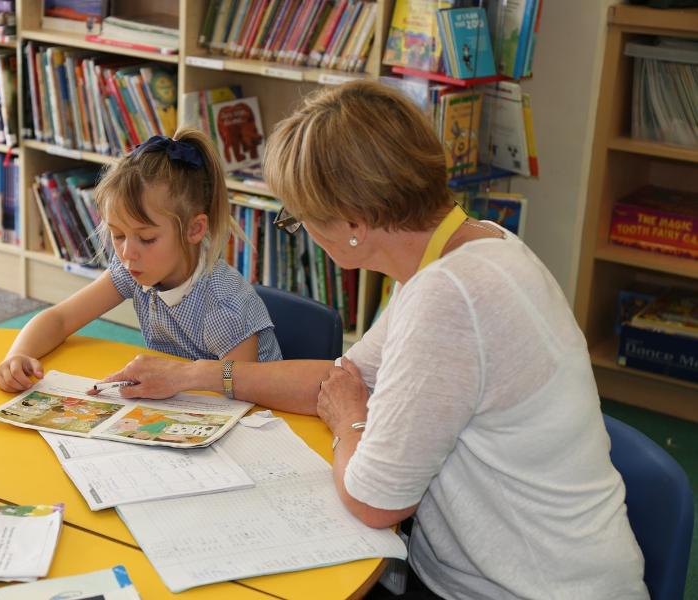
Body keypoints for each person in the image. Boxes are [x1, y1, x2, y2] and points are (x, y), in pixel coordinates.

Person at [96, 81, 649, 599]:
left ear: (352, 221)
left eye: (300, 217)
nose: (303, 231)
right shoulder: (467, 249)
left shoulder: (449, 298)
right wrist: (191, 375)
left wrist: (350, 421)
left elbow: (373, 499)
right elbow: (342, 377)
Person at [0, 128, 282, 393]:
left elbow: (241, 390)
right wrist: (17, 355)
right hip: (184, 401)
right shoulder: (134, 269)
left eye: (147, 239)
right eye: (118, 235)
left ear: (195, 229)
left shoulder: (221, 304)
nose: (128, 253)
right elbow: (60, 319)